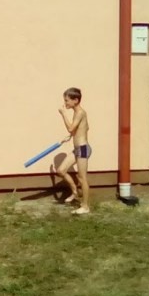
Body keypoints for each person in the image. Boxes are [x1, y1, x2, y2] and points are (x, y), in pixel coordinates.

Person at [56, 87, 91, 215]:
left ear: (75, 100)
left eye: (67, 100)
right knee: (61, 170)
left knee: (82, 178)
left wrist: (63, 114)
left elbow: (71, 128)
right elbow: (86, 127)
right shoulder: (78, 113)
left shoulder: (80, 112)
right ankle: (75, 192)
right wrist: (72, 136)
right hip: (77, 148)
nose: (65, 103)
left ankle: (85, 206)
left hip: (82, 149)